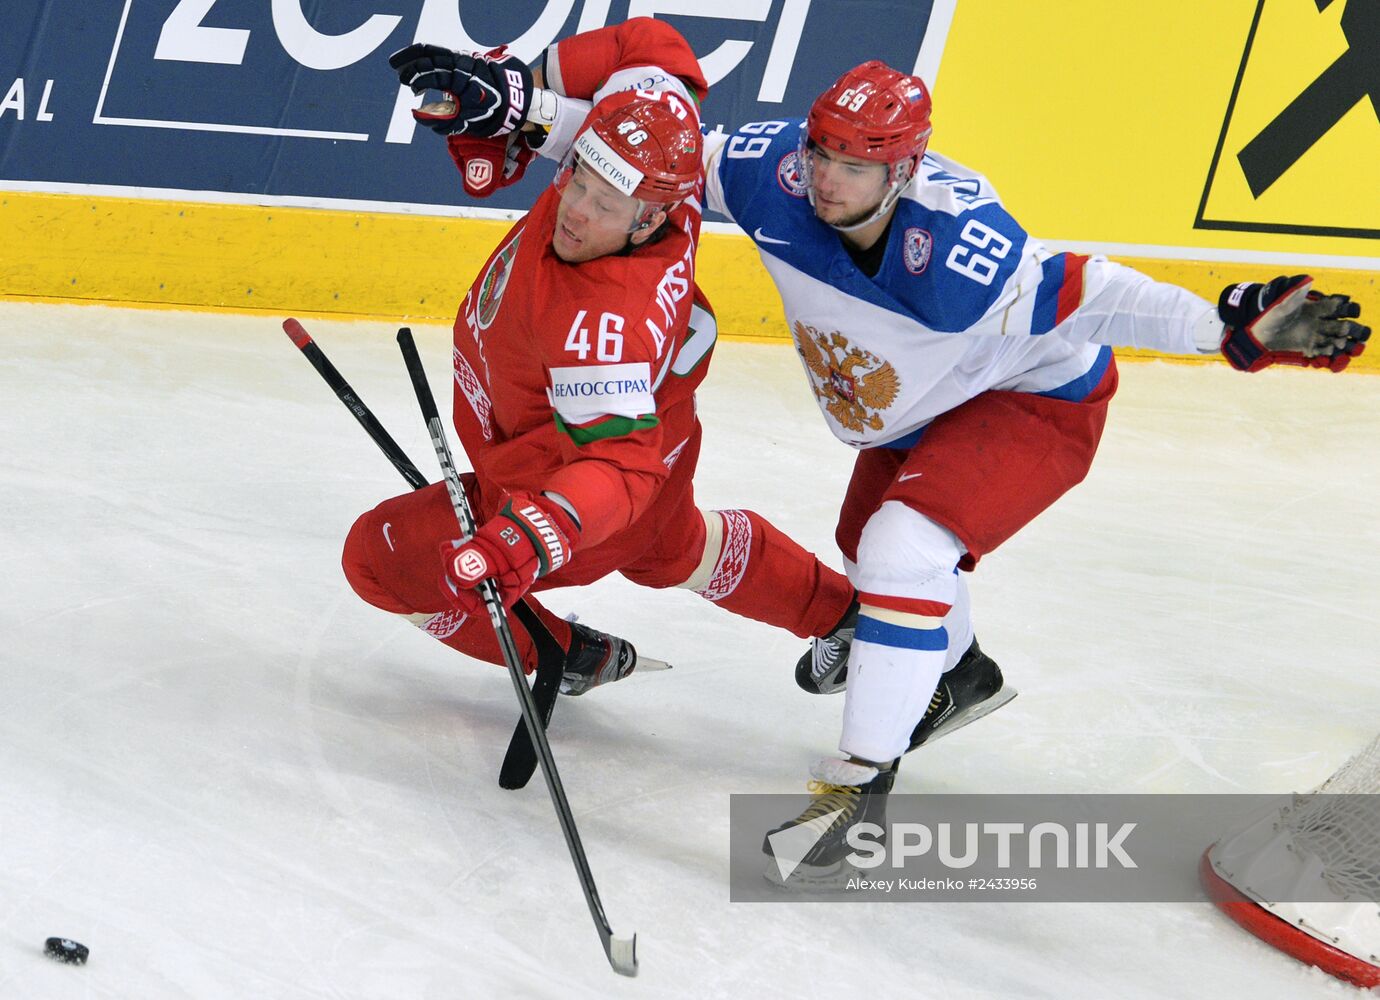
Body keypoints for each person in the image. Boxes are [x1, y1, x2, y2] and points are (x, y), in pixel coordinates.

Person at [527, 39, 1371, 881]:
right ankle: (957, 674)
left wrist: (1224, 327)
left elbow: (1097, 293)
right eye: (821, 152)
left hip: (1031, 400)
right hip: (917, 410)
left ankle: (858, 791)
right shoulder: (772, 173)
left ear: (902, 172)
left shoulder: (966, 248)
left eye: (853, 168)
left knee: (902, 551)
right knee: (870, 551)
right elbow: (654, 161)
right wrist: (520, 114)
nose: (824, 178)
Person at [340, 20, 855, 711]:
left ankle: (556, 651)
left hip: (568, 498)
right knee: (676, 546)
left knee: (375, 561)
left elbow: (619, 466)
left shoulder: (601, 329)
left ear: (646, 223)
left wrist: (534, 533)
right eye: (578, 178)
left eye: (604, 204)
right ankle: (847, 617)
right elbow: (654, 48)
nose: (574, 211)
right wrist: (520, 98)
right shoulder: (665, 166)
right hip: (666, 446)